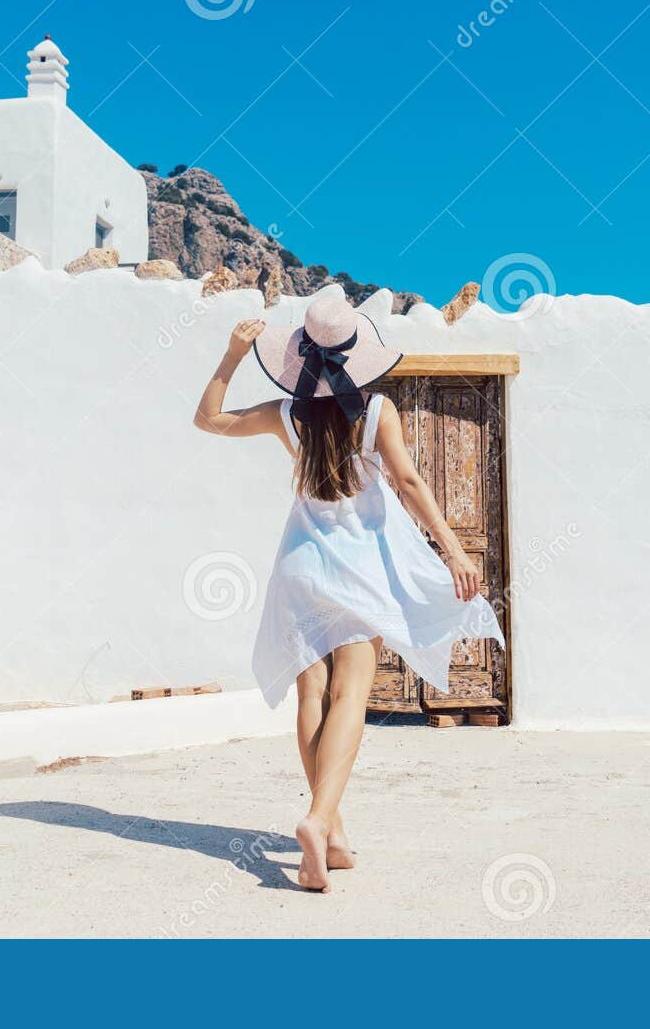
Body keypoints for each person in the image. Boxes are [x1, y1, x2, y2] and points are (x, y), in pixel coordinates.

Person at [193, 296, 505, 892]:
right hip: (358, 572)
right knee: (350, 695)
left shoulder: (286, 414)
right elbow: (410, 483)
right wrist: (455, 550)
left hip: (298, 569)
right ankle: (316, 819)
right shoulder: (377, 410)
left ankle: (332, 831)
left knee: (311, 694)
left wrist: (231, 355)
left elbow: (208, 418)